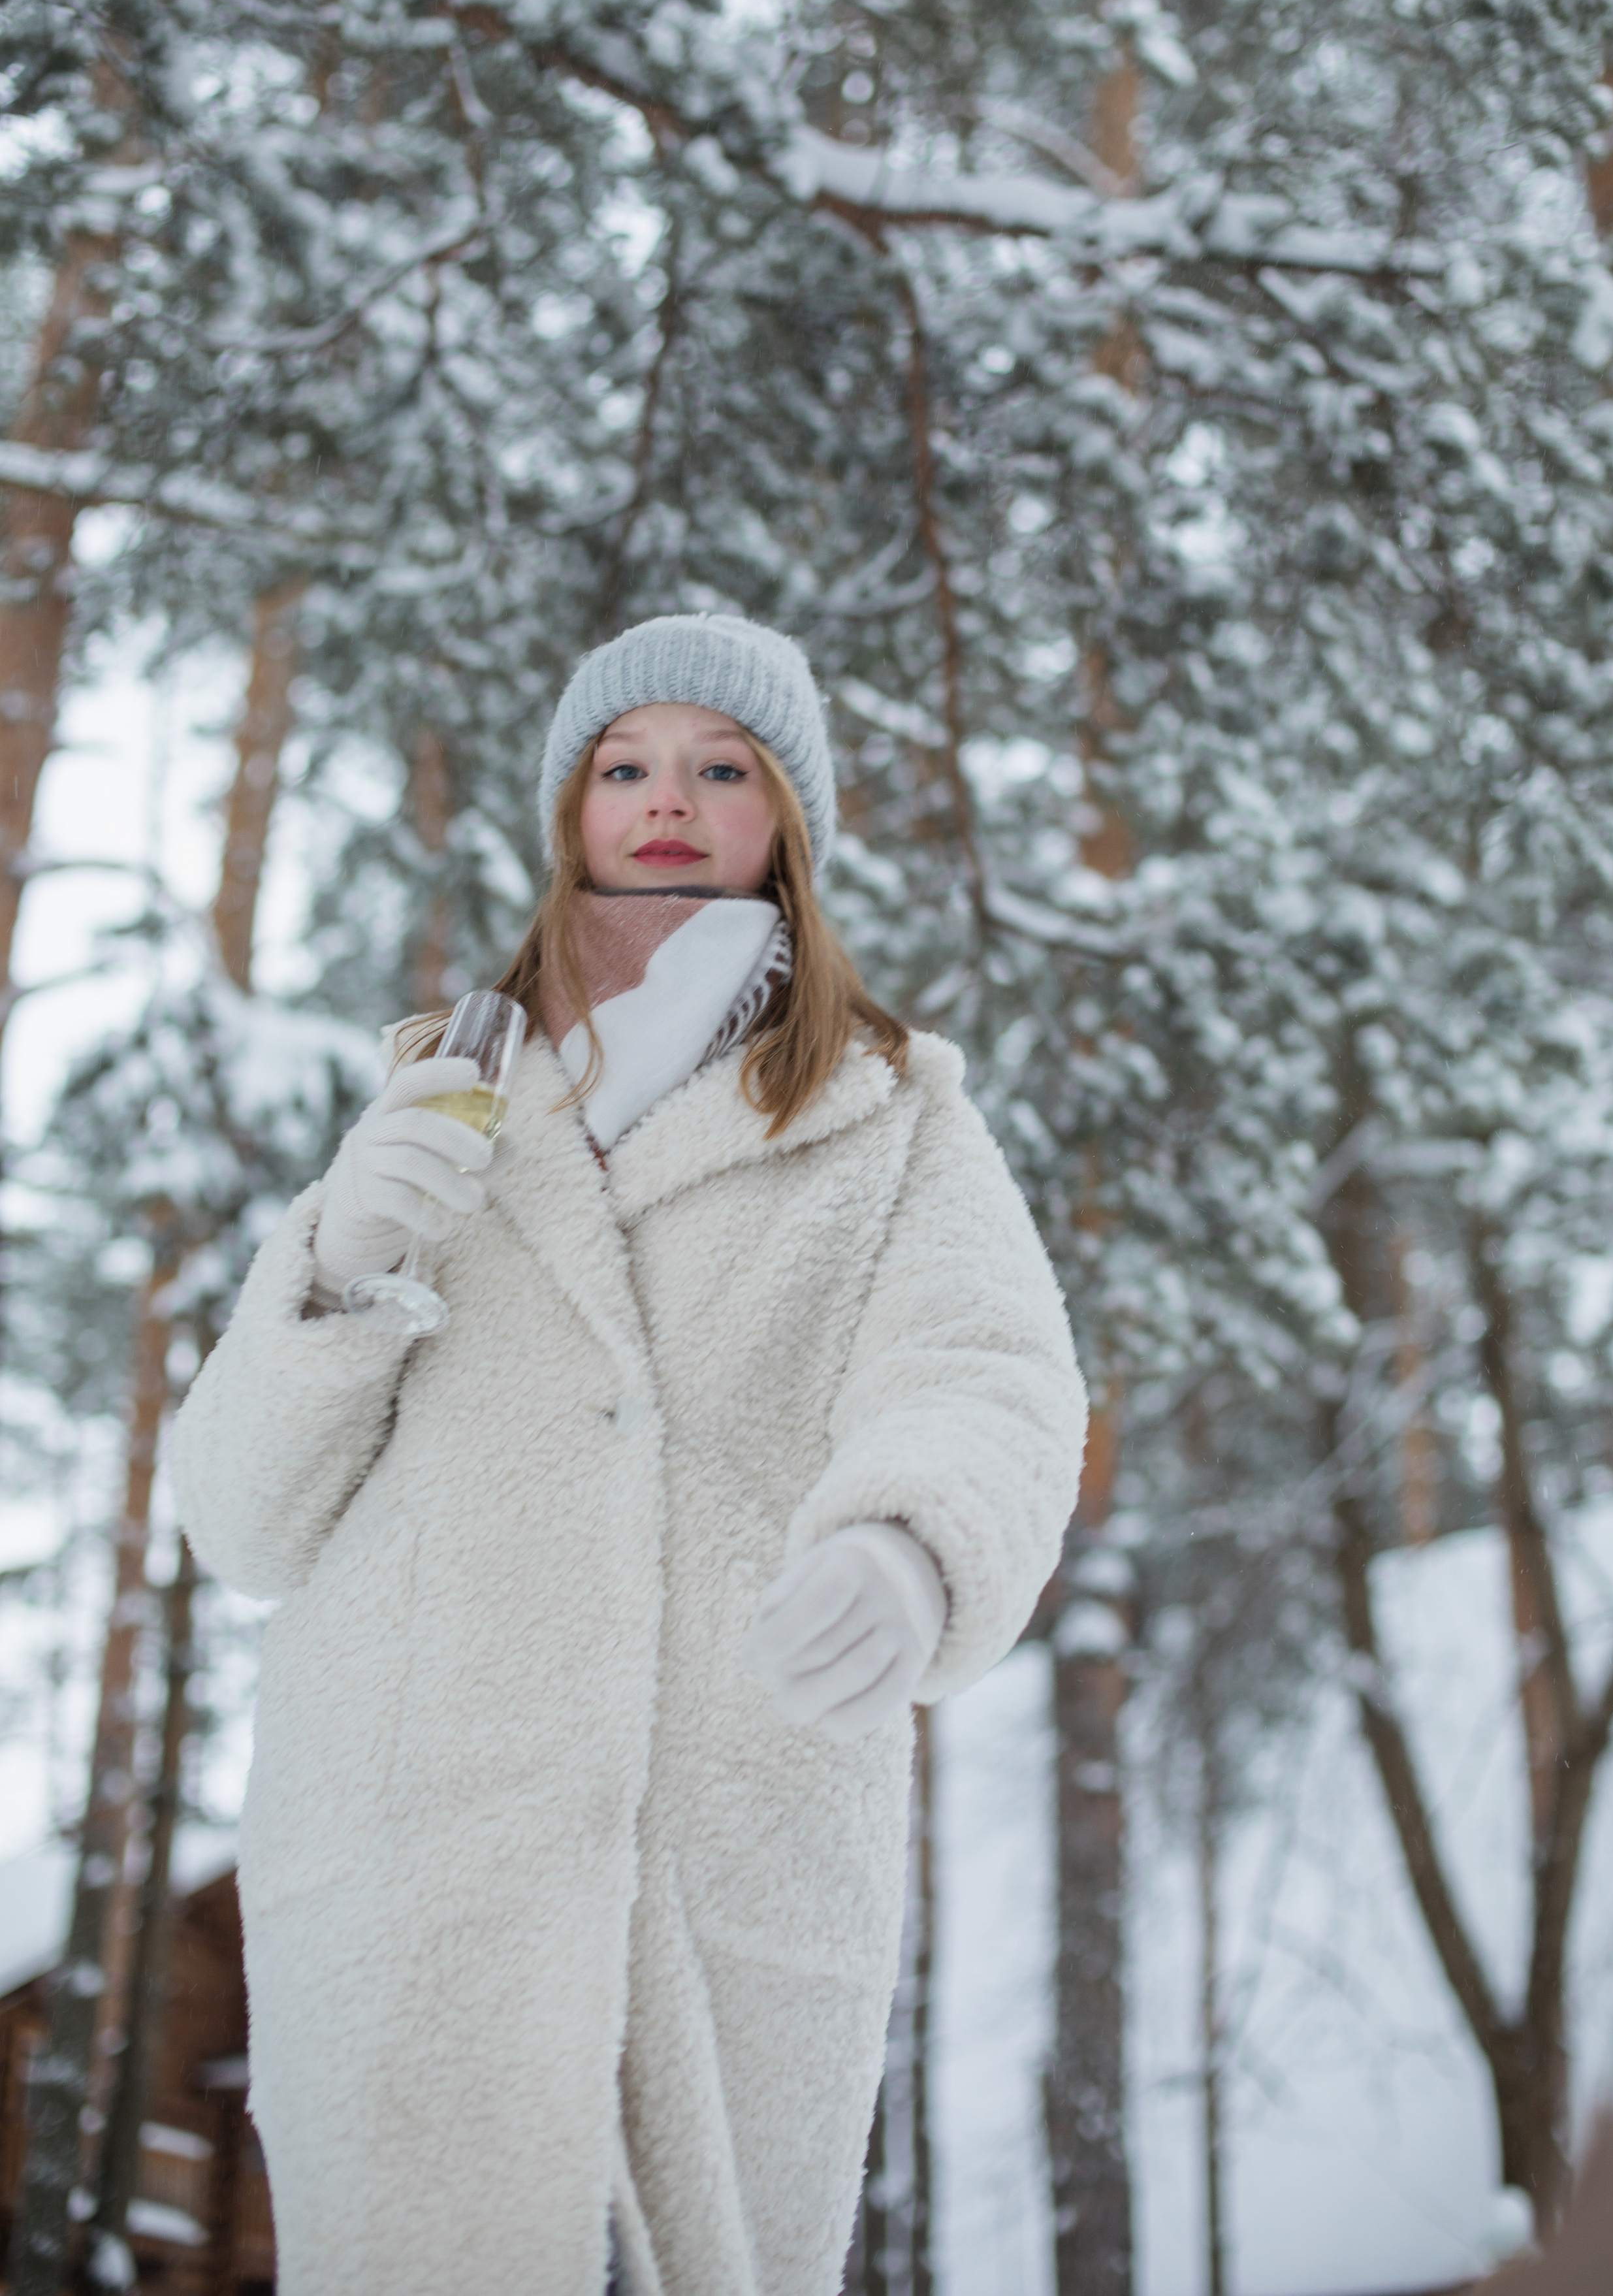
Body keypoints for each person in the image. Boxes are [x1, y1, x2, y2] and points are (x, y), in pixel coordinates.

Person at [171, 612, 1086, 2296]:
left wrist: (910, 1542)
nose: (669, 799)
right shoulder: (441, 1099)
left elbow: (990, 1381)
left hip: (728, 1842)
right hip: (409, 1847)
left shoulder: (890, 1118)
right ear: (572, 809)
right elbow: (240, 1516)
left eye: (722, 767)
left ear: (787, 819)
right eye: (627, 765)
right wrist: (338, 1266)